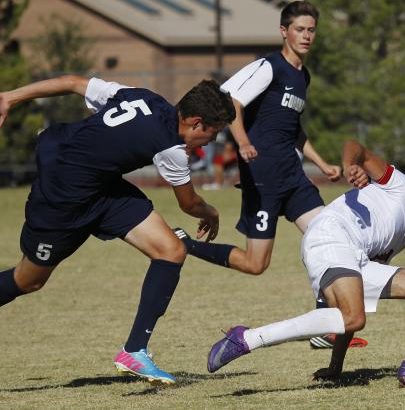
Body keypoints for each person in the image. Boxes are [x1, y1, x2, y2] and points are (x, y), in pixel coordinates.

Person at [0, 75, 235, 385]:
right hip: (63, 197)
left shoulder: (144, 97)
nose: (209, 143)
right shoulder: (170, 147)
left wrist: (10, 96)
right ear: (194, 122)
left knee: (171, 250)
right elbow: (190, 204)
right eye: (212, 134)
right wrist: (212, 212)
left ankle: (134, 351)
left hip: (101, 186)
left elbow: (72, 82)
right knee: (28, 281)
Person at [205, 140, 405, 389]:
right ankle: (247, 338)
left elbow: (348, 312)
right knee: (353, 316)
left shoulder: (397, 240)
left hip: (350, 252)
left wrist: (336, 367)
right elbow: (355, 147)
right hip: (332, 236)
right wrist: (351, 165)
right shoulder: (404, 190)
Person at [175, 0, 340, 274]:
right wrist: (243, 143)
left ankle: (330, 307)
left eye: (311, 30)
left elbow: (292, 128)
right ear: (283, 31)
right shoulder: (269, 66)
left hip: (293, 175)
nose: (307, 36)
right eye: (300, 29)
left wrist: (322, 164)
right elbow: (233, 103)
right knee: (256, 264)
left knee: (329, 239)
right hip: (263, 179)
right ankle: (186, 244)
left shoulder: (303, 76)